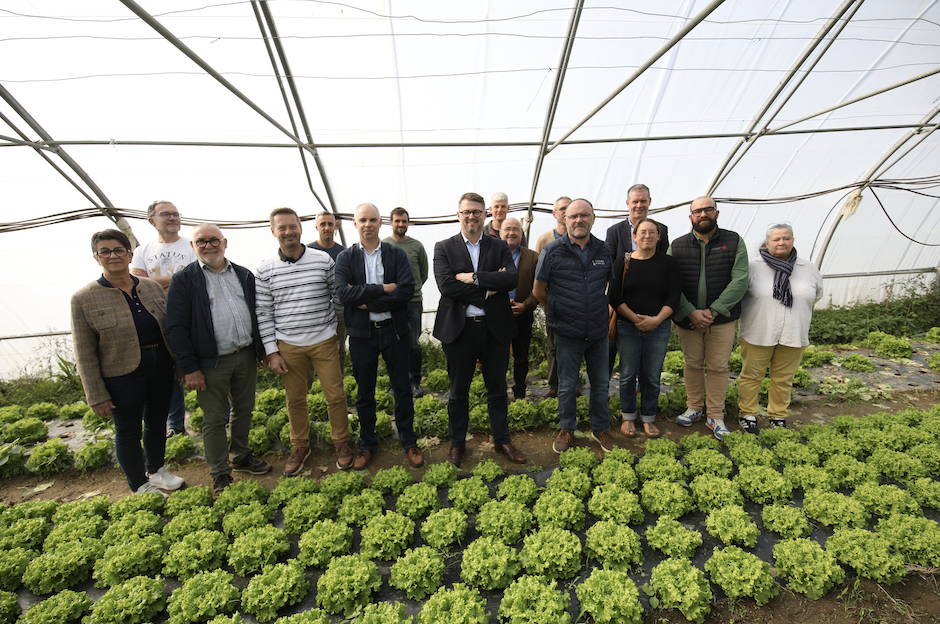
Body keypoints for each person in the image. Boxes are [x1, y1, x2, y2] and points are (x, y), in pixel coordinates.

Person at [71, 229, 184, 495]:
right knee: (128, 429)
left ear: (130, 254)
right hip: (121, 374)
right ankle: (139, 483)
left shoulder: (151, 287)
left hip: (160, 367)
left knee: (157, 422)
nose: (113, 256)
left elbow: (169, 330)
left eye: (119, 250)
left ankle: (157, 471)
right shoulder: (84, 298)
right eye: (105, 251)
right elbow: (84, 352)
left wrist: (179, 367)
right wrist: (95, 394)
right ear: (96, 257)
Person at [166, 224, 272, 498]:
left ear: (225, 243)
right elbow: (176, 327)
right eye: (201, 242)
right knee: (214, 419)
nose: (208, 246)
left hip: (244, 355)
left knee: (244, 409)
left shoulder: (244, 275)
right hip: (210, 363)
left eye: (214, 240)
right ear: (193, 246)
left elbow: (258, 313)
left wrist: (260, 350)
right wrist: (190, 368)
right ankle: (219, 473)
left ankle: (240, 456)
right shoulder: (184, 280)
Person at [433, 192, 526, 468]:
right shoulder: (443, 247)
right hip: (459, 331)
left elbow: (511, 277)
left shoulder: (498, 246)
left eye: (476, 211)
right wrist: (488, 291)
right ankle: (457, 444)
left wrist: (473, 278)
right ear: (458, 215)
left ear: (485, 214)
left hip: (494, 329)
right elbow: (447, 286)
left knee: (497, 389)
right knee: (458, 391)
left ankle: (502, 440)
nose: (472, 216)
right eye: (466, 212)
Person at [256, 208, 352, 475]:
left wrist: (329, 327)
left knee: (335, 395)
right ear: (273, 231)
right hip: (288, 346)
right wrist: (272, 351)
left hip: (323, 341)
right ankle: (300, 446)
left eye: (292, 226)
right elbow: (263, 313)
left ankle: (341, 443)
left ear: (300, 228)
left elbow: (338, 297)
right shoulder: (265, 270)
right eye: (282, 228)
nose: (288, 232)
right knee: (296, 399)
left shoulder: (323, 261)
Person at [335, 203, 424, 469]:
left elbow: (406, 291)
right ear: (355, 223)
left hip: (394, 332)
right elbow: (343, 294)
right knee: (365, 394)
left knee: (402, 388)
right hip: (362, 335)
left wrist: (366, 300)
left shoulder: (396, 255)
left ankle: (409, 441)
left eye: (373, 219)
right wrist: (383, 289)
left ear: (380, 222)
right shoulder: (346, 258)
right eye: (363, 220)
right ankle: (367, 444)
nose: (368, 224)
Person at [533, 198, 617, 454]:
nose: (579, 220)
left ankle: (600, 427)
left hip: (598, 332)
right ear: (564, 220)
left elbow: (605, 285)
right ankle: (567, 428)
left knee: (601, 383)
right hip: (567, 332)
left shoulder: (603, 250)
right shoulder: (552, 251)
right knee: (568, 384)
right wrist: (559, 310)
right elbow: (538, 290)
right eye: (573, 216)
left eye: (584, 215)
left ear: (593, 218)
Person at [669, 196, 749, 441]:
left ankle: (715, 415)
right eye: (698, 211)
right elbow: (671, 283)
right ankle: (694, 407)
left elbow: (740, 280)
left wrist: (713, 311)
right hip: (688, 319)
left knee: (718, 367)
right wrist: (690, 311)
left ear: (717, 213)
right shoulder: (678, 245)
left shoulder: (733, 241)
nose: (703, 214)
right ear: (691, 217)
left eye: (708, 210)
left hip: (721, 320)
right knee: (692, 364)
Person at [737, 223, 823, 431]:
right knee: (751, 375)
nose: (782, 242)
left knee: (784, 378)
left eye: (786, 238)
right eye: (776, 239)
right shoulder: (753, 267)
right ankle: (748, 413)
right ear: (767, 243)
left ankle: (777, 415)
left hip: (794, 331)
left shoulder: (807, 268)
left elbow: (817, 294)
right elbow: (739, 294)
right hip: (758, 330)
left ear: (793, 241)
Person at [609, 218, 681, 438]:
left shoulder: (668, 263)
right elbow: (614, 296)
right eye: (643, 232)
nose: (647, 236)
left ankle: (648, 418)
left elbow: (674, 296)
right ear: (634, 236)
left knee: (651, 375)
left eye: (652, 232)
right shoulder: (623, 262)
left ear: (659, 237)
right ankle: (628, 416)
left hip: (658, 328)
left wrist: (656, 320)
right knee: (628, 373)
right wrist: (635, 318)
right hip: (628, 327)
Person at [130, 200, 194, 438]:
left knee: (206, 368)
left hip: (191, 316)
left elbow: (197, 276)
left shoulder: (193, 244)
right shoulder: (142, 251)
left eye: (176, 214)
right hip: (157, 320)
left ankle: (225, 417)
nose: (172, 218)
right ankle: (176, 425)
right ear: (152, 221)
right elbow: (137, 284)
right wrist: (179, 276)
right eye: (165, 214)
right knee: (169, 374)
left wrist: (154, 282)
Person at [605, 184, 670, 378]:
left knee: (645, 356)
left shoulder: (662, 230)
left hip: (651, 305)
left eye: (643, 201)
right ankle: (603, 391)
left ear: (650, 202)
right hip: (621, 303)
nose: (639, 205)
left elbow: (663, 263)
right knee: (611, 347)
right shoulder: (614, 231)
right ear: (627, 204)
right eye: (635, 201)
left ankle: (641, 391)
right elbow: (609, 265)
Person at [383, 207, 429, 397]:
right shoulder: (383, 245)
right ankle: (396, 383)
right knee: (392, 343)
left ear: (408, 223)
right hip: (390, 302)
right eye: (397, 221)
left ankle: (415, 381)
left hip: (413, 301)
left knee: (413, 343)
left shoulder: (416, 246)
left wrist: (411, 289)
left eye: (404, 221)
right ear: (391, 223)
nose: (401, 224)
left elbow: (423, 273)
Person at [535, 196, 571, 398]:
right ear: (554, 213)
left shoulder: (584, 237)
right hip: (552, 303)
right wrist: (547, 303)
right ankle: (554, 385)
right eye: (562, 209)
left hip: (576, 304)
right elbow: (537, 274)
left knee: (574, 345)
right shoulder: (544, 239)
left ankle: (572, 383)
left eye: (569, 208)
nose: (566, 212)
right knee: (553, 345)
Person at [500, 217, 540, 401]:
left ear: (521, 233)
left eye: (516, 229)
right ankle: (499, 392)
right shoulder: (491, 256)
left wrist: (526, 305)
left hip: (522, 315)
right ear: (500, 233)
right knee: (498, 357)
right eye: (507, 229)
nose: (511, 232)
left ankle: (519, 392)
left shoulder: (533, 257)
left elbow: (539, 288)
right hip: (497, 316)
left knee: (521, 357)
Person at [307, 211, 348, 376]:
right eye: (322, 224)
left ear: (335, 227)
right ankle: (310, 388)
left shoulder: (343, 253)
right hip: (313, 311)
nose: (326, 227)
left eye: (330, 224)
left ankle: (338, 383)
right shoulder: (307, 251)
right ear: (316, 227)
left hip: (339, 311)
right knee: (309, 348)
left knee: (339, 348)